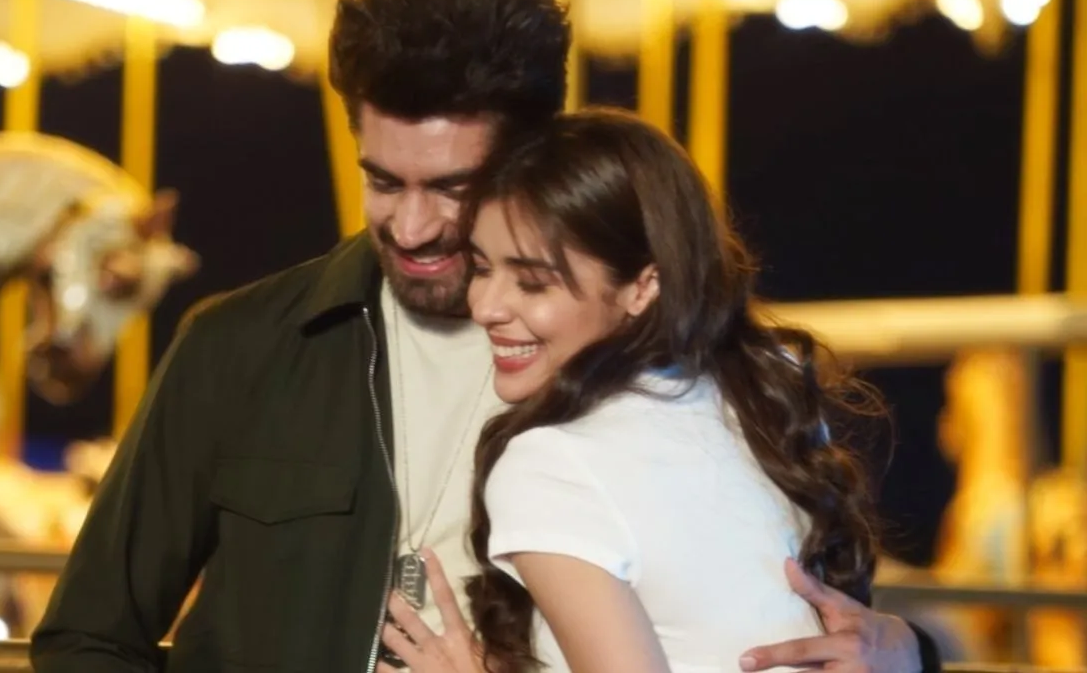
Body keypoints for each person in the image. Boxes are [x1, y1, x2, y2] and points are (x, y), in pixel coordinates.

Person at [30, 0, 940, 672]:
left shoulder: (659, 366)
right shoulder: (238, 345)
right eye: (383, 180)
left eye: (452, 187)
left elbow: (798, 608)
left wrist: (908, 652)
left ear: (530, 160)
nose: (412, 226)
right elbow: (88, 637)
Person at [373, 108, 887, 673]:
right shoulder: (759, 388)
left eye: (533, 282)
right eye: (481, 267)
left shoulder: (551, 464)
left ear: (643, 286)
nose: (486, 308)